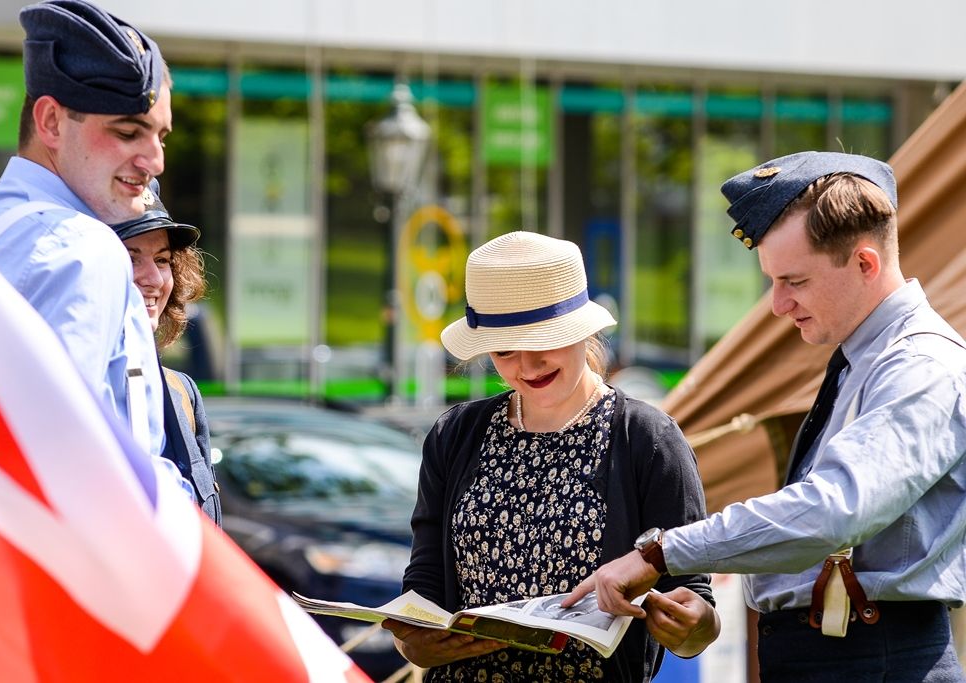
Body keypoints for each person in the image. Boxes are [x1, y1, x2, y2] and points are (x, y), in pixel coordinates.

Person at [564, 151, 966, 681]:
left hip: (875, 660)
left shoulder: (919, 364)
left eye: (794, 281)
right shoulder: (869, 357)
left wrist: (660, 553)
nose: (778, 305)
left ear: (865, 264)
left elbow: (834, 511)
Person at [385, 231, 720, 682]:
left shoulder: (647, 439)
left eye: (543, 341)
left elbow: (696, 609)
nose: (527, 366)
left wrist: (690, 625)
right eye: (505, 350)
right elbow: (423, 585)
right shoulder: (455, 434)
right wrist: (414, 641)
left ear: (583, 330)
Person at [0, 1, 178, 481]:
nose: (155, 161)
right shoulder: (83, 248)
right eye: (128, 131)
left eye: (161, 136)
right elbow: (70, 471)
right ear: (52, 122)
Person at [112, 182, 222, 525]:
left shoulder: (182, 391)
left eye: (162, 260)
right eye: (131, 258)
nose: (154, 279)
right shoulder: (70, 384)